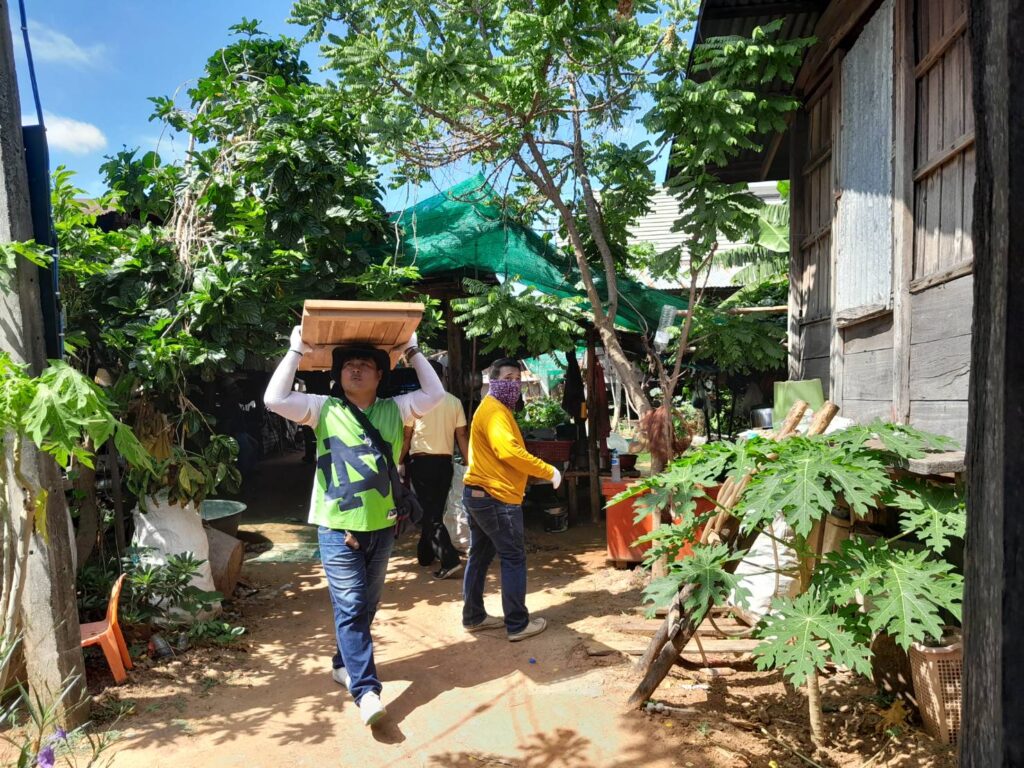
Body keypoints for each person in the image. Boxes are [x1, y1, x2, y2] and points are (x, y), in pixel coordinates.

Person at [263, 325, 443, 727]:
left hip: (383, 526)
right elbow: (274, 399)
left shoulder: (396, 409)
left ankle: (341, 664)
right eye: (349, 365)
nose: (356, 370)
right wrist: (295, 351)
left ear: (380, 375)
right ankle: (366, 690)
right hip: (336, 528)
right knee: (351, 605)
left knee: (367, 605)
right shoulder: (322, 409)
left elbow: (435, 395)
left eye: (365, 365)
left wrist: (413, 352)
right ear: (338, 374)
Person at [461, 357, 562, 642]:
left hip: (479, 493)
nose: (513, 385)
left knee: (480, 556)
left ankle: (474, 616)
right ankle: (517, 624)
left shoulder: (495, 409)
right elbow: (509, 451)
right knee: (513, 556)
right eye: (507, 379)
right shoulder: (494, 411)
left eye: (517, 380)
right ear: (493, 381)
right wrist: (547, 471)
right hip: (496, 497)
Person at [399, 361, 470, 580]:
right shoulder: (454, 402)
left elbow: (407, 437)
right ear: (443, 376)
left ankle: (450, 560)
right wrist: (470, 462)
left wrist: (398, 461)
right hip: (445, 464)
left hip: (421, 464)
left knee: (427, 514)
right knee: (433, 511)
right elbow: (462, 435)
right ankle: (425, 555)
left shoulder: (415, 402)